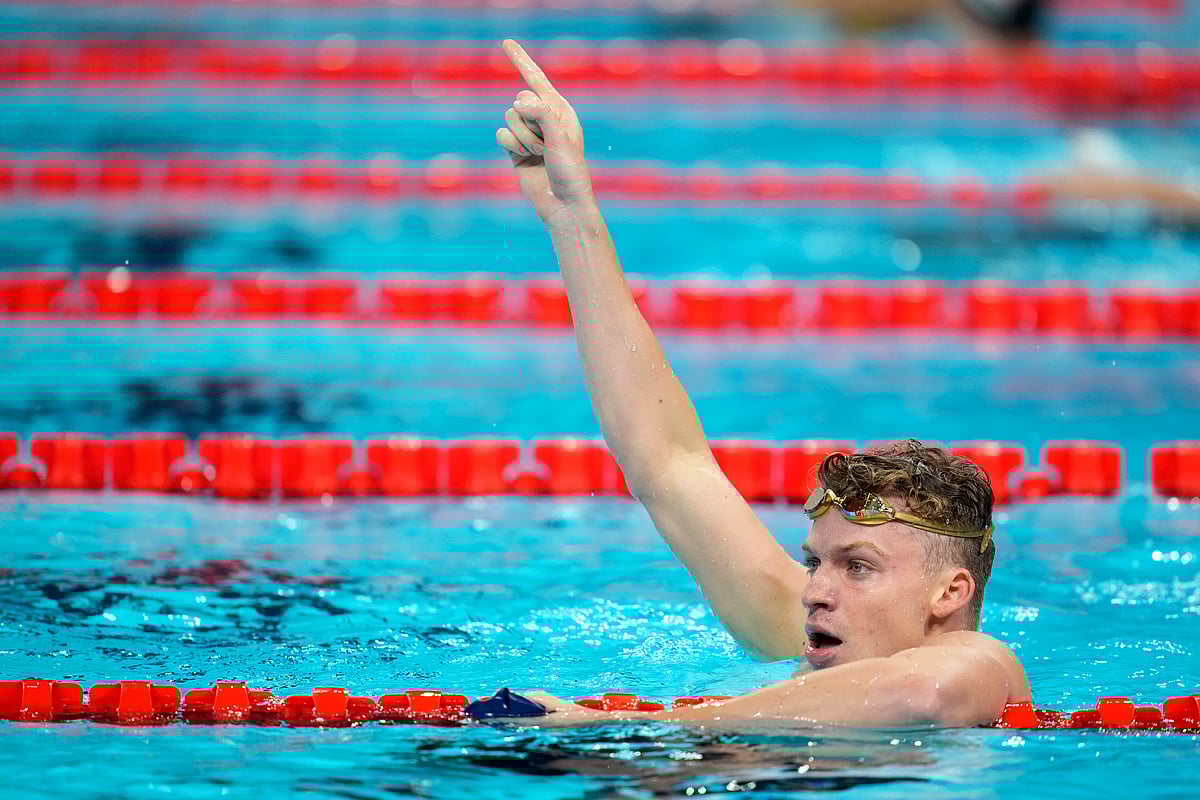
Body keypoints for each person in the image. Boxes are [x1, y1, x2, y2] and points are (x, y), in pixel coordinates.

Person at [492, 39, 1031, 728]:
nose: (814, 593)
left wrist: (622, 728)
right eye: (815, 563)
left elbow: (919, 697)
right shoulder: (820, 645)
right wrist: (574, 218)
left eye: (857, 567)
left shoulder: (983, 664)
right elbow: (667, 461)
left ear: (948, 593)